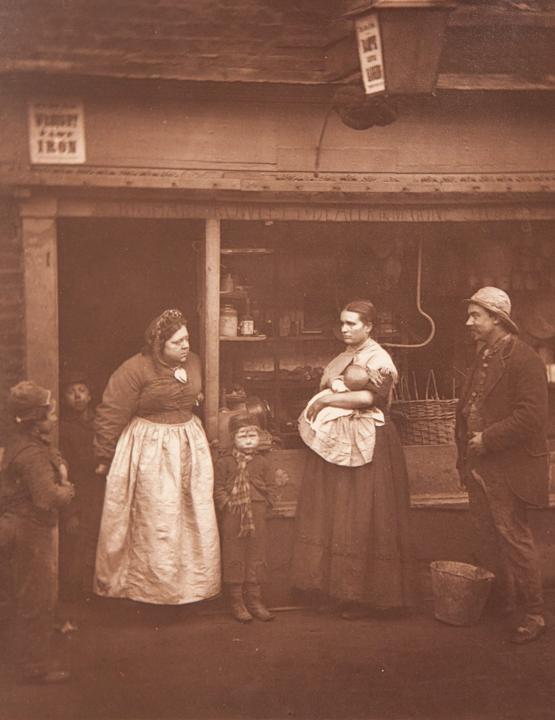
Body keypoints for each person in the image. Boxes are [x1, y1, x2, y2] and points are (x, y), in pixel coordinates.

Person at [290, 299, 414, 620]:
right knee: (339, 513)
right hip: (338, 442)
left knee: (363, 514)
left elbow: (369, 397)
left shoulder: (378, 358)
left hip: (368, 443)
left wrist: (327, 400)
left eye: (352, 324)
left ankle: (365, 596)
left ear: (369, 327)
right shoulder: (345, 355)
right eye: (342, 323)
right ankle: (338, 591)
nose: (344, 329)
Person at [93, 308, 221, 605]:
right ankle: (148, 593)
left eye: (187, 339)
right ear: (158, 345)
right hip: (150, 449)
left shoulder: (196, 362)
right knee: (157, 520)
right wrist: (105, 455)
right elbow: (111, 413)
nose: (185, 346)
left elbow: (197, 393)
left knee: (190, 517)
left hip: (188, 445)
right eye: (177, 342)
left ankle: (189, 590)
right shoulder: (134, 369)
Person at [456, 286, 549, 644]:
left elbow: (532, 417)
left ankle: (534, 613)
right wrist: (466, 453)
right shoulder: (484, 354)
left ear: (496, 318)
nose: (469, 322)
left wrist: (487, 438)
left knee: (515, 538)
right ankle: (505, 603)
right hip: (480, 465)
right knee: (489, 536)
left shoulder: (524, 358)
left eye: (475, 315)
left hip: (509, 467)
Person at [0, 381, 74, 683]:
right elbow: (46, 497)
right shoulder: (31, 455)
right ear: (34, 419)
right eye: (50, 413)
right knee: (37, 599)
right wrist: (67, 491)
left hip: (17, 525)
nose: (54, 418)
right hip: (31, 530)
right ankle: (35, 666)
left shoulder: (20, 443)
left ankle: (16, 658)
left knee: (19, 595)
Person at [214, 414, 282, 623]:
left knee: (256, 552)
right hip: (233, 513)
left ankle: (254, 600)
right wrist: (226, 503)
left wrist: (267, 502)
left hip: (257, 512)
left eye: (252, 435)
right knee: (234, 553)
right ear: (233, 438)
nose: (249, 439)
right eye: (243, 436)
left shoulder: (263, 462)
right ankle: (237, 601)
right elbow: (218, 487)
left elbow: (271, 486)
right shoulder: (224, 462)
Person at [59, 369, 103, 599]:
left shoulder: (102, 422)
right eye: (70, 392)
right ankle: (78, 594)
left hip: (101, 488)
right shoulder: (63, 429)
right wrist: (70, 512)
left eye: (81, 391)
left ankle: (96, 589)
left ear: (90, 395)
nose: (77, 397)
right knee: (79, 540)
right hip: (80, 489)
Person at [299, 360, 391, 467]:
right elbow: (331, 378)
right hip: (340, 407)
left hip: (359, 407)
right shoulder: (341, 383)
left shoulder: (379, 364)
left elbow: (367, 398)